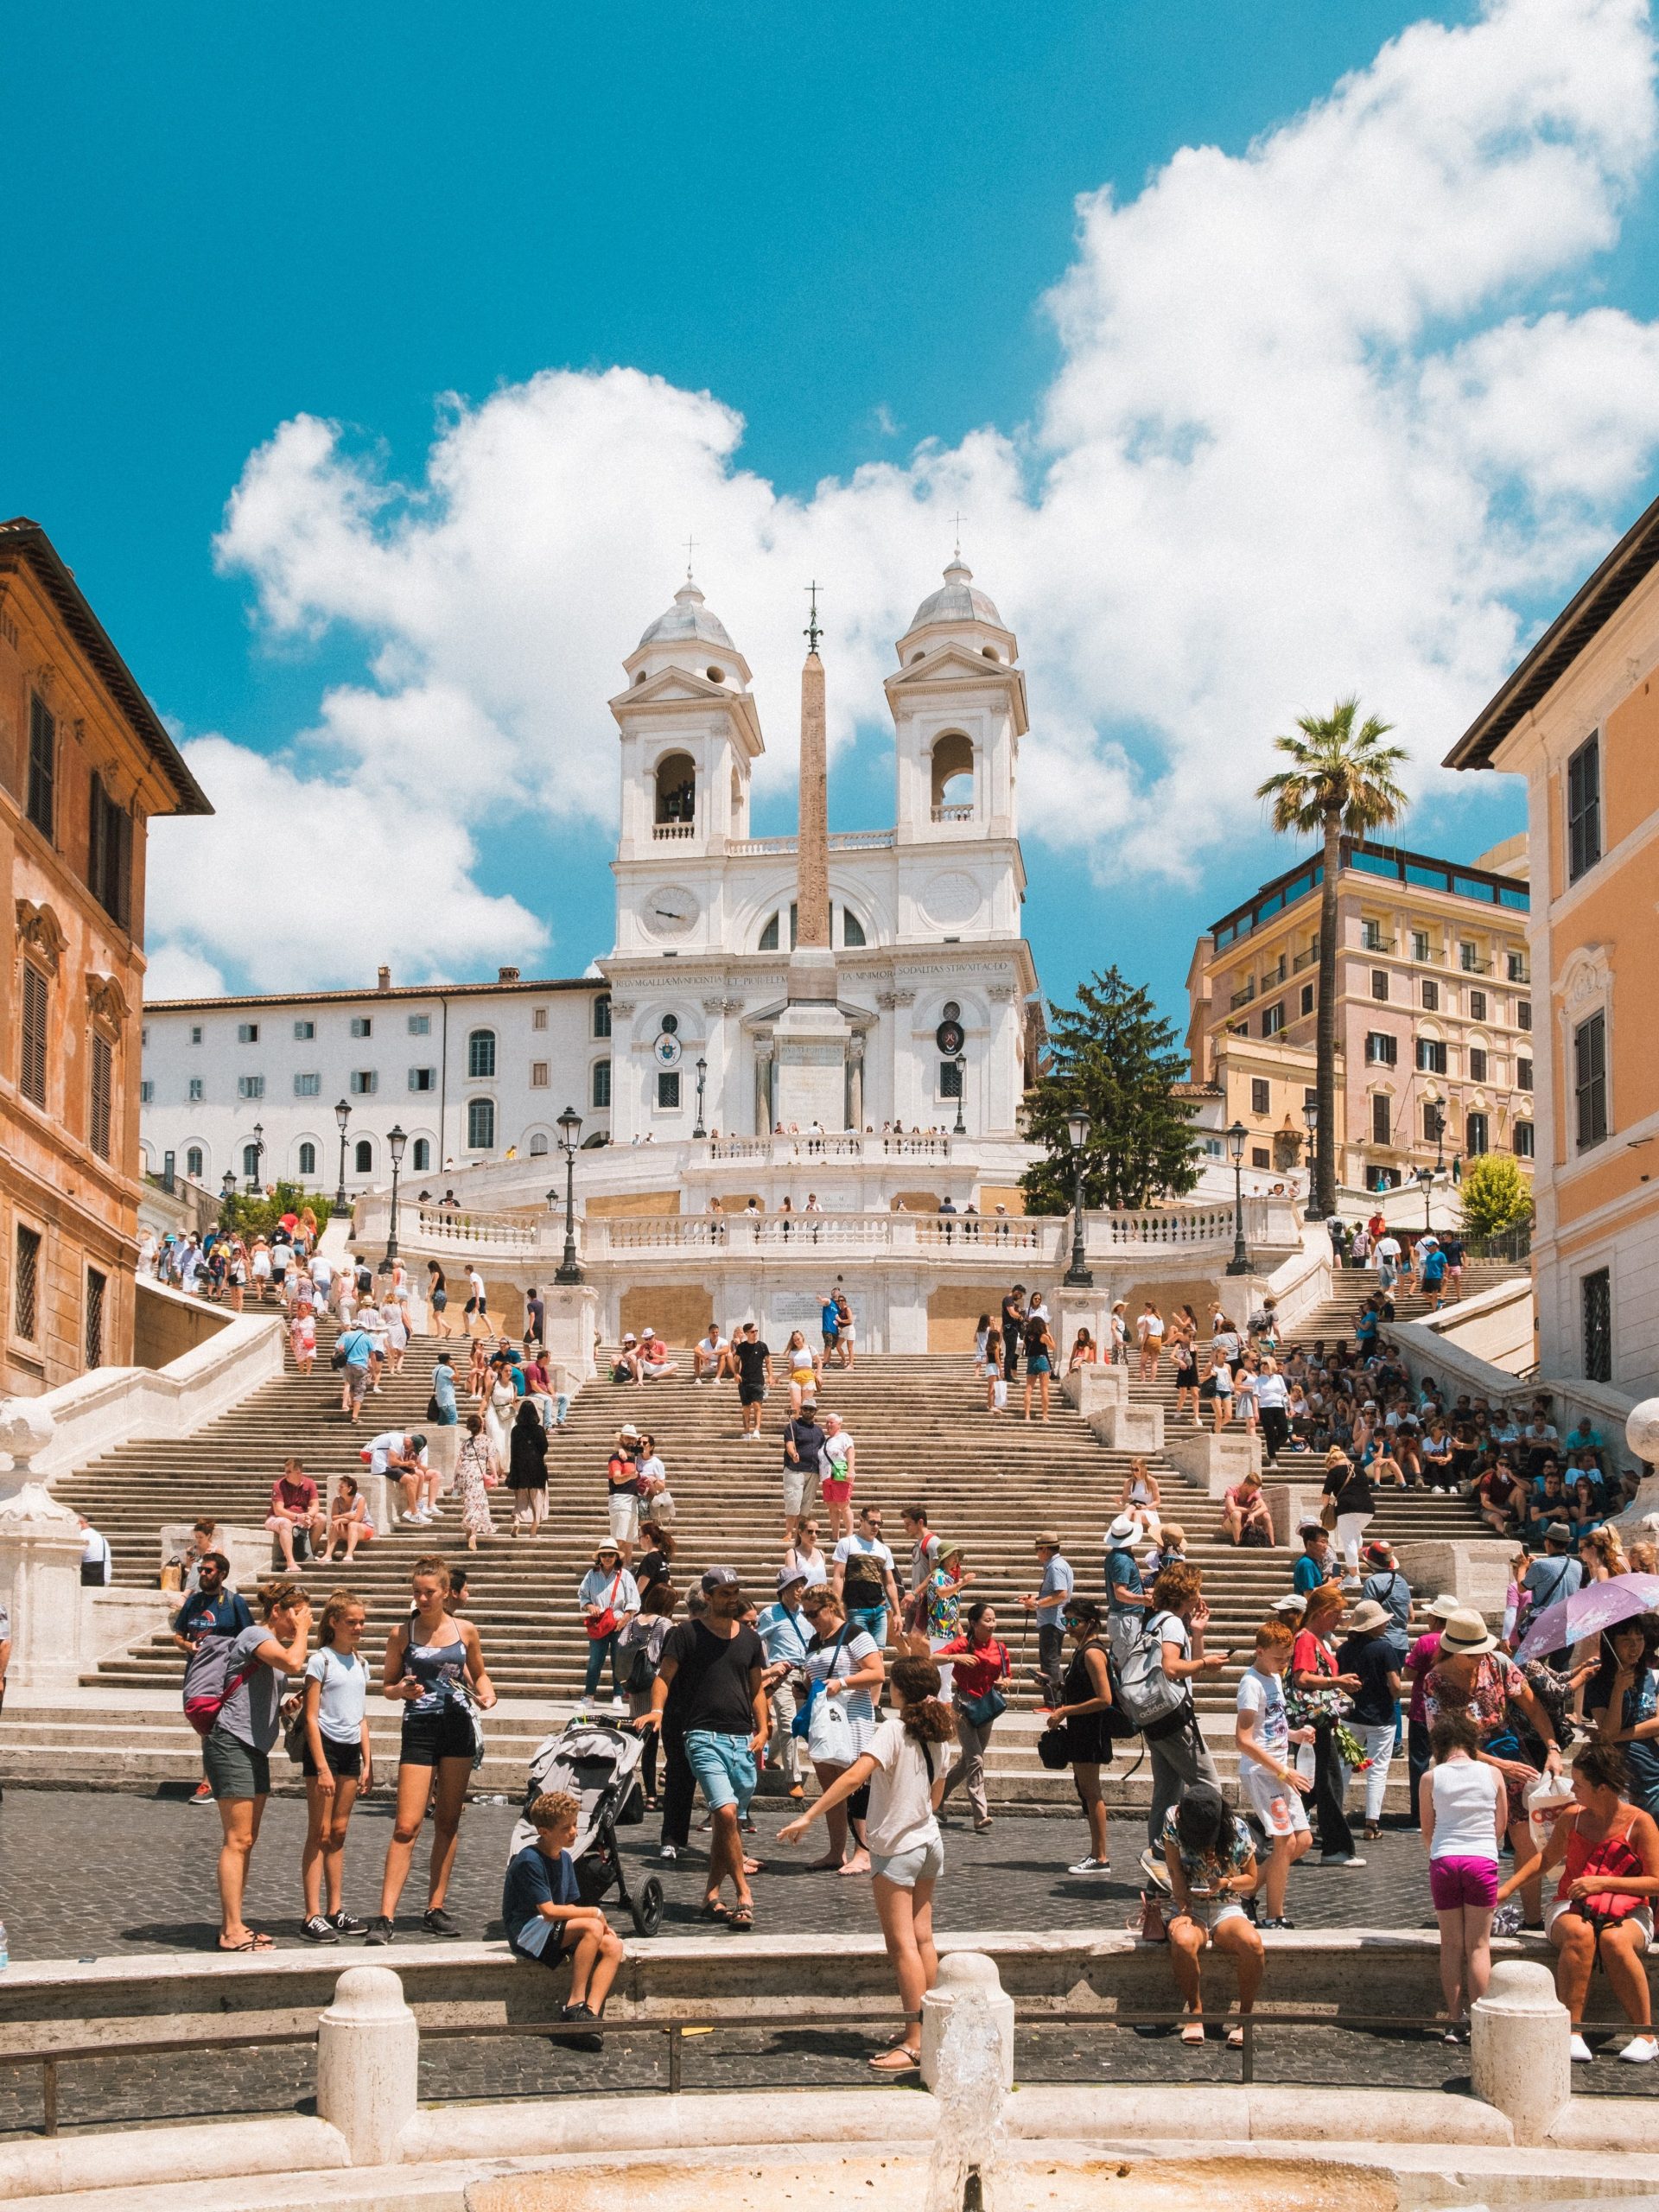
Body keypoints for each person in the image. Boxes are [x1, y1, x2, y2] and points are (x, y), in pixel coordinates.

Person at [779, 1652, 955, 2074]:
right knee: (924, 1940)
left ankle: (915, 2043)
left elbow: (855, 1776)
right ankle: (932, 2028)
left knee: (902, 1946)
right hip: (930, 1842)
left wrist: (808, 1815)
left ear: (901, 1691)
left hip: (897, 1848)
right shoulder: (940, 1734)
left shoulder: (893, 1729)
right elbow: (935, 1798)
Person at [1499, 1740, 1659, 2064]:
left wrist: (1603, 1883)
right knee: (1579, 1934)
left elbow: (1656, 1882)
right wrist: (1506, 1889)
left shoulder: (1640, 1822)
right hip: (1569, 1904)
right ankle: (1572, 2030)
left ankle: (1645, 2034)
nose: (1572, 1790)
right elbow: (1546, 1859)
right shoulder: (1571, 1817)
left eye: (1579, 1784)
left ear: (1603, 1789)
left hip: (1630, 1908)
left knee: (1615, 1941)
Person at [371, 1555, 497, 1943]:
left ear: (445, 1593)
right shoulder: (401, 1633)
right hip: (420, 1727)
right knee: (406, 1825)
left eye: (429, 1592)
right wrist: (400, 1690)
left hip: (457, 1726)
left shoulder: (466, 1630)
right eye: (417, 1592)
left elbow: (479, 1673)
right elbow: (387, 1686)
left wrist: (487, 1693)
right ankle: (385, 1916)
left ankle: (435, 1907)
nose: (422, 1599)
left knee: (448, 1821)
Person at [643, 1567, 768, 1930]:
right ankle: (744, 1894)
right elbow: (663, 1678)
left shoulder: (750, 1640)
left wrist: (763, 1729)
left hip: (741, 1739)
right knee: (726, 1813)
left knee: (727, 1823)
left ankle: (711, 1895)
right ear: (708, 1597)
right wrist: (656, 1711)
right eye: (725, 1593)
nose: (732, 1598)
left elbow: (756, 1689)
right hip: (701, 1736)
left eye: (735, 1591)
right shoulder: (686, 1634)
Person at [1425, 1606, 1565, 1923]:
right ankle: (1470, 1914)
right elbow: (1443, 1740)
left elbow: (1533, 1708)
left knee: (1525, 1840)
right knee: (1472, 1841)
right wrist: (1498, 1766)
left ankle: (1532, 1919)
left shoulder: (1498, 1663)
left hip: (1510, 1754)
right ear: (1454, 1650)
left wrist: (1552, 1748)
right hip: (1463, 1763)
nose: (1480, 1656)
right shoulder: (1435, 1681)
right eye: (1472, 1653)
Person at [201, 1580, 313, 1951]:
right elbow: (294, 1663)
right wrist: (303, 1631)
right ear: (277, 1611)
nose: (300, 1621)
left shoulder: (270, 1644)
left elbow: (254, 1695)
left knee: (247, 1840)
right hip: (231, 1742)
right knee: (237, 1839)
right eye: (295, 1613)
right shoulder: (254, 1635)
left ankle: (234, 1922)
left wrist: (282, 1709)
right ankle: (231, 1931)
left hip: (254, 1747)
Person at [502, 1789, 625, 2049]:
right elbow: (548, 1910)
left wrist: (601, 1926)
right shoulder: (529, 1859)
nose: (574, 1832)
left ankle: (589, 2016)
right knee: (591, 1926)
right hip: (526, 1931)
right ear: (544, 1832)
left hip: (550, 1927)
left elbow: (568, 1906)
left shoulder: (566, 1859)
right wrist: (594, 1914)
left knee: (613, 1946)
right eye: (566, 1828)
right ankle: (574, 2005)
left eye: (575, 1825)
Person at [1419, 1710, 1507, 2039]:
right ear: (1472, 1742)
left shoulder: (1431, 1778)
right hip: (1481, 1859)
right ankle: (1480, 2023)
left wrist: (1442, 1849)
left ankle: (1454, 2020)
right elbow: (1500, 1826)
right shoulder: (1493, 1774)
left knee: (1451, 1945)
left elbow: (1427, 1830)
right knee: (1479, 1946)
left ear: (1438, 1745)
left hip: (1445, 1860)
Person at [1160, 1781, 1265, 2048]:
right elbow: (1174, 1871)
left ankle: (1245, 2018)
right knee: (1183, 1940)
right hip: (1189, 1903)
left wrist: (1226, 1883)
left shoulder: (1239, 1830)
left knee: (1253, 1944)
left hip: (1226, 1906)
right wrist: (1184, 1908)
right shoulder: (1174, 1819)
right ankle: (1196, 2013)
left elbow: (1252, 1879)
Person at [299, 1589, 374, 1942]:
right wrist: (321, 1767)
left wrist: (368, 1761)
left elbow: (361, 1716)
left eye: (361, 1622)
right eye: (351, 1622)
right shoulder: (321, 1661)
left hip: (350, 1749)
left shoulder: (361, 1663)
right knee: (320, 1831)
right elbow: (311, 1717)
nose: (358, 1628)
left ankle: (335, 1908)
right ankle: (311, 1913)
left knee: (340, 1831)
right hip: (325, 1747)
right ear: (334, 1622)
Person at [1140, 1562, 1229, 1855]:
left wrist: (1198, 1634)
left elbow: (1190, 1673)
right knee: (1209, 1788)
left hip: (1155, 1717)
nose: (1200, 1595)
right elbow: (1172, 1667)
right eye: (1197, 1589)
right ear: (1187, 1593)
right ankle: (1213, 1853)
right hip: (1175, 1720)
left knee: (1166, 1793)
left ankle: (1160, 1856)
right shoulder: (1172, 1624)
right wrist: (1205, 1662)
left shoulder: (1156, 1620)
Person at [1234, 1617, 1314, 1925]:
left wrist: (1296, 1735)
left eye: (1288, 1658)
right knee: (1285, 1841)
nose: (1285, 1665)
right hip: (1262, 1772)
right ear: (1260, 1651)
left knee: (1302, 1840)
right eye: (1279, 1658)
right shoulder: (1251, 1684)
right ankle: (1275, 1916)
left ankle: (1246, 1892)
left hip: (1279, 1770)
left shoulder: (1275, 1678)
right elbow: (1243, 1740)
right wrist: (1283, 1771)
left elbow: (1271, 1726)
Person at [1289, 1584, 1364, 1867]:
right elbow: (1302, 1678)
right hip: (1314, 1722)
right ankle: (1336, 1848)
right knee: (1329, 1782)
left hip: (1320, 1721)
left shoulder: (1315, 1639)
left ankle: (1265, 1829)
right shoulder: (1307, 1639)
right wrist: (1337, 1681)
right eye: (1336, 1614)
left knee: (1316, 1784)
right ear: (1321, 1612)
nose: (1339, 1620)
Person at [1046, 1597, 1116, 1873]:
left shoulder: (1092, 1652)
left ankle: (1100, 1856)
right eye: (1066, 1621)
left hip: (1091, 1730)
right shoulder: (1082, 1650)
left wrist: (1066, 1710)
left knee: (1091, 1792)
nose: (1069, 1626)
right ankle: (1097, 1854)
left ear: (1091, 1623)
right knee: (1086, 1791)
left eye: (1074, 1621)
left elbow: (1105, 1698)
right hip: (1082, 1729)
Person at [935, 1601, 1011, 1834]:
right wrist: (956, 1658)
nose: (992, 1624)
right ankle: (980, 1814)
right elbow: (932, 1658)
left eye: (994, 1620)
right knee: (976, 1759)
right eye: (987, 1620)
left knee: (967, 1760)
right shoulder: (962, 1644)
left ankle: (936, 1799)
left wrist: (1005, 1682)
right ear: (974, 1623)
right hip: (964, 1706)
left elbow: (1007, 1675)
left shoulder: (1000, 1648)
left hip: (987, 1707)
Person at [1337, 1598, 1403, 1840]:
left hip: (1350, 1715)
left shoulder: (1344, 1649)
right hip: (1381, 1718)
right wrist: (1392, 1698)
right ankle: (1371, 1824)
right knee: (1377, 1771)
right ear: (1373, 1625)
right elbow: (1396, 1685)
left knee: (1343, 1767)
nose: (1386, 1625)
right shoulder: (1384, 1649)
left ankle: (1333, 1819)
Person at [1591, 1618, 1659, 1820]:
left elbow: (1657, 1724)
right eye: (1626, 1640)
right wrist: (1618, 1690)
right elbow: (1608, 1731)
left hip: (1653, 1773)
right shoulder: (1597, 1683)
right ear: (1612, 1643)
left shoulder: (1652, 1677)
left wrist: (1616, 1736)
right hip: (1618, 1777)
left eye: (1640, 1639)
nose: (1635, 1646)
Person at [755, 1567, 815, 1797]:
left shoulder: (806, 1613)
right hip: (783, 1674)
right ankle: (793, 1779)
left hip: (805, 1673)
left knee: (794, 1722)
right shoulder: (770, 1614)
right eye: (794, 1586)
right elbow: (755, 1640)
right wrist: (766, 1670)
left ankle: (771, 1757)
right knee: (789, 1723)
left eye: (801, 1585)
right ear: (783, 1590)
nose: (800, 1590)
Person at [619, 1582, 679, 1805]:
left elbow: (621, 1644)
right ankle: (667, 1774)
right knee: (673, 1736)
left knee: (647, 1744)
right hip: (656, 1684)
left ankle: (651, 1796)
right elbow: (668, 1653)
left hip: (637, 1685)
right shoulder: (664, 1623)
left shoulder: (634, 1621)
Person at [579, 1541, 640, 1705]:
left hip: (619, 1623)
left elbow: (634, 1600)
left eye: (611, 1555)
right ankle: (589, 1696)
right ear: (599, 1557)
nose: (607, 1558)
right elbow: (583, 1595)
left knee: (618, 1661)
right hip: (599, 1623)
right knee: (595, 1661)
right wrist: (590, 1606)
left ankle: (617, 1695)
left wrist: (625, 1618)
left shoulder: (625, 1575)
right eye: (604, 1555)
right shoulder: (592, 1575)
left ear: (616, 1557)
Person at [832, 1505, 900, 1649]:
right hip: (856, 1609)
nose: (876, 1527)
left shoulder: (884, 1549)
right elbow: (838, 1576)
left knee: (879, 1653)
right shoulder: (847, 1543)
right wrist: (836, 1605)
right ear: (861, 1521)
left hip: (879, 1609)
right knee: (860, 1652)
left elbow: (890, 1583)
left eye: (879, 1523)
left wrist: (897, 1613)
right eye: (872, 1522)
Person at [1020, 1533, 1074, 1707]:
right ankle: (1054, 1701)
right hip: (1052, 1619)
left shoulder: (1056, 1567)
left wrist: (1036, 1604)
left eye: (1037, 1550)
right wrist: (1035, 1599)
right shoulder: (1057, 1565)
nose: (1036, 1554)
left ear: (1044, 1549)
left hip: (1052, 1620)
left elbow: (1061, 1594)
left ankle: (1053, 1702)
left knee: (1050, 1662)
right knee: (1051, 1661)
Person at [1320, 1446, 1374, 1584]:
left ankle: (1354, 1576)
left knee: (1349, 1540)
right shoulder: (1360, 1470)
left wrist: (1325, 1509)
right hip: (1368, 1510)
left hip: (1347, 1508)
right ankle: (1356, 1571)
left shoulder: (1334, 1471)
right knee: (1356, 1536)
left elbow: (1325, 1495)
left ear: (1332, 1462)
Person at [266, 1459, 327, 1569]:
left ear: (298, 1472)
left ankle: (307, 1553)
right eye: (285, 1471)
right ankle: (290, 1562)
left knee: (321, 1518)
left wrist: (308, 1516)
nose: (285, 1474)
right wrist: (297, 1517)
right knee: (285, 1523)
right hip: (277, 1518)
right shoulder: (278, 1484)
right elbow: (278, 1510)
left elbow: (315, 1505)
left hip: (299, 1518)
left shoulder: (309, 1483)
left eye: (289, 1471)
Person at [453, 1414, 498, 1552]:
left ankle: (468, 1529)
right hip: (477, 1475)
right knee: (477, 1504)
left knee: (469, 1502)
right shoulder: (488, 1441)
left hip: (464, 1474)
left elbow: (459, 1462)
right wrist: (495, 1475)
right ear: (482, 1426)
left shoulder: (466, 1443)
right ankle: (473, 1535)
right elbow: (491, 1460)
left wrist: (454, 1480)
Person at [781, 1402, 827, 1539]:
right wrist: (793, 1454)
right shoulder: (793, 1426)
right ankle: (789, 1533)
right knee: (793, 1501)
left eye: (811, 1409)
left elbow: (823, 1450)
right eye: (805, 1408)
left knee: (806, 1504)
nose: (808, 1411)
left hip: (813, 1471)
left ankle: (798, 1534)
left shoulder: (818, 1431)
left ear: (815, 1411)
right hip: (795, 1469)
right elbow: (789, 1444)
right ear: (801, 1410)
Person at [507, 1397, 549, 1537]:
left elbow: (513, 1451)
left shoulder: (515, 1430)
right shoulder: (539, 1430)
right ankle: (533, 1530)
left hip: (520, 1468)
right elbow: (544, 1448)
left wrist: (512, 1470)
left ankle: (517, 1521)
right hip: (536, 1468)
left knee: (521, 1499)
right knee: (537, 1500)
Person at [606, 1425, 642, 1565]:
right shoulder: (616, 1457)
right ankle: (608, 1566)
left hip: (632, 1500)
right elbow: (616, 1479)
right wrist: (630, 1476)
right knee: (619, 1538)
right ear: (621, 1439)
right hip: (620, 1499)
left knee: (629, 1539)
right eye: (628, 1438)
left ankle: (626, 1567)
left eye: (633, 1438)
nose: (631, 1441)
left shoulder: (633, 1457)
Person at [820, 1413, 856, 1540]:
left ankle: (849, 1535)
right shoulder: (826, 1441)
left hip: (840, 1471)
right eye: (827, 1422)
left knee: (843, 1505)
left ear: (839, 1424)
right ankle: (835, 1536)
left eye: (832, 1422)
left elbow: (850, 1453)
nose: (828, 1425)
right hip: (827, 1476)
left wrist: (850, 1470)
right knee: (832, 1507)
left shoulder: (844, 1437)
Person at [734, 1322, 772, 1440]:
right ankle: (746, 1432)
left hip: (758, 1380)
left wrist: (770, 1376)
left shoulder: (762, 1346)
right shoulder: (741, 1347)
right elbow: (736, 1362)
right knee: (746, 1408)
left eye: (756, 1331)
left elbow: (768, 1361)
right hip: (744, 1381)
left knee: (757, 1405)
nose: (755, 1333)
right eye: (752, 1332)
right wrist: (736, 1374)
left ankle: (756, 1430)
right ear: (746, 1333)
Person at [327, 1475, 375, 1563]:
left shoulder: (360, 1499)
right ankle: (328, 1555)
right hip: (348, 1530)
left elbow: (357, 1519)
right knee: (335, 1525)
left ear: (350, 1489)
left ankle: (349, 1554)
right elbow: (334, 1517)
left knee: (352, 1525)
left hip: (364, 1529)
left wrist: (340, 1520)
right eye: (339, 1486)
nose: (339, 1488)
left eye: (342, 1487)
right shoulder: (337, 1500)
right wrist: (345, 1516)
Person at [1222, 1470, 1274, 1548]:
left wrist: (1252, 1515)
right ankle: (1239, 1544)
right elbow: (1231, 1509)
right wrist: (1249, 1510)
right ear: (1246, 1485)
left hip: (1245, 1523)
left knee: (1266, 1515)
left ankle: (1271, 1544)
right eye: (1253, 1489)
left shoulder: (1254, 1493)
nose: (1255, 1491)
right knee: (1236, 1514)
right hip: (1230, 1525)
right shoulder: (1231, 1490)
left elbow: (1264, 1508)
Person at [1022, 1306, 1056, 1421]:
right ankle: (1045, 1416)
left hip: (1031, 1361)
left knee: (1029, 1389)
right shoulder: (1043, 1336)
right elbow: (1053, 1347)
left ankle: (1027, 1415)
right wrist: (1048, 1332)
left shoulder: (1026, 1337)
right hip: (1042, 1360)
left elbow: (1027, 1347)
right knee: (1044, 1390)